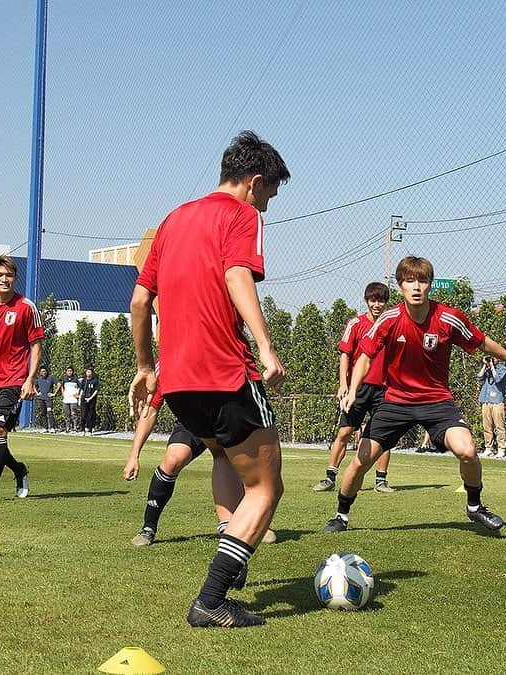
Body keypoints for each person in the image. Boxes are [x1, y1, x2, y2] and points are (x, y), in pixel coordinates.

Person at [130, 130, 289, 628]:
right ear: (254, 182)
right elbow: (237, 276)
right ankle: (212, 599)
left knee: (222, 452)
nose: (267, 206)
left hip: (176, 382)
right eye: (269, 196)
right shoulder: (242, 216)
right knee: (266, 488)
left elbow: (139, 302)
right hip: (225, 371)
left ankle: (231, 549)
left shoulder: (172, 220)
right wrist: (265, 346)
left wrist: (144, 366)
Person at [322, 256, 506, 533]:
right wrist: (353, 389)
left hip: (437, 401)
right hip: (395, 401)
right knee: (362, 460)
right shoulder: (389, 320)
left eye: (422, 281)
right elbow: (364, 356)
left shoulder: (448, 318)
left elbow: (483, 343)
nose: (416, 287)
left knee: (468, 450)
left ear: (430, 285)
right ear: (400, 285)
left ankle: (474, 506)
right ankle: (341, 515)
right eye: (409, 281)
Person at [123, 381, 276, 549]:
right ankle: (148, 526)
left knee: (236, 459)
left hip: (227, 412)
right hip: (192, 420)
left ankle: (248, 524)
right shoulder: (166, 366)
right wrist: (134, 454)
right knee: (174, 459)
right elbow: (151, 410)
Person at [313, 282, 395, 493]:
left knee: (383, 435)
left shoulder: (391, 325)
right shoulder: (356, 323)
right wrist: (344, 385)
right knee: (345, 431)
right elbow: (345, 355)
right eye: (373, 300)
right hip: (358, 388)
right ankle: (330, 477)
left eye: (381, 300)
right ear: (367, 301)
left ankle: (381, 481)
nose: (377, 304)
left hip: (383, 389)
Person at [0, 255, 44, 501]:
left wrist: (30, 379)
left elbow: (36, 345)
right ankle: (19, 469)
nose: (4, 279)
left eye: (8, 275)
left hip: (12, 380)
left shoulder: (26, 307)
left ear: (15, 278)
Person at [477, 355, 506, 457]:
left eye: (493, 358)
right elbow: (479, 377)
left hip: (497, 401)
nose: (492, 360)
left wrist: (492, 367)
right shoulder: (487, 368)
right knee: (487, 427)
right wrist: (485, 366)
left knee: (499, 427)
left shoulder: (502, 368)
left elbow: (498, 379)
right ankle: (488, 448)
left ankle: (501, 449)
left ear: (498, 358)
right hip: (486, 401)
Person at [34, 365, 59, 432]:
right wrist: (37, 393)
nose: (43, 372)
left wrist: (54, 393)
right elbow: (34, 386)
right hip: (41, 398)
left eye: (44, 371)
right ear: (40, 372)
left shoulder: (51, 378)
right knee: (43, 413)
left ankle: (52, 428)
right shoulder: (38, 379)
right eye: (42, 371)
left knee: (49, 412)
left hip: (49, 399)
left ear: (47, 371)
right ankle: (45, 428)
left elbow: (59, 384)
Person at [78, 366, 100, 434]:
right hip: (84, 399)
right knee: (83, 415)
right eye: (87, 372)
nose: (88, 373)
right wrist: (79, 399)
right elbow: (81, 390)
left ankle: (89, 429)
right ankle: (82, 429)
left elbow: (96, 390)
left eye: (89, 372)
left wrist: (90, 398)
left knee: (90, 415)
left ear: (92, 373)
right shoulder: (84, 380)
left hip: (91, 400)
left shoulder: (95, 381)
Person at [60, 366, 80, 432]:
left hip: (73, 399)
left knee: (74, 413)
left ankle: (75, 427)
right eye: (68, 371)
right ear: (66, 372)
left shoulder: (76, 379)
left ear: (73, 372)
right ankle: (67, 427)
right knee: (67, 414)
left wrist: (78, 395)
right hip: (66, 399)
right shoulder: (64, 379)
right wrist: (63, 394)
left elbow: (80, 387)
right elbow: (62, 387)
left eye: (71, 371)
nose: (69, 372)